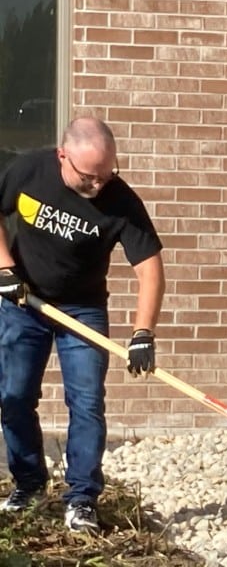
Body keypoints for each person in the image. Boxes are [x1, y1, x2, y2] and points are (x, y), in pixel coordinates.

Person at [0, 116, 165, 532]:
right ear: (62, 157)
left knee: (87, 403)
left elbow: (150, 268)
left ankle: (82, 498)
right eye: (90, 177)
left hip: (82, 310)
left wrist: (143, 333)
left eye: (107, 175)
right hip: (24, 301)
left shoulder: (121, 200)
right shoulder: (29, 170)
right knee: (14, 395)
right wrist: (4, 268)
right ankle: (30, 484)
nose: (99, 186)